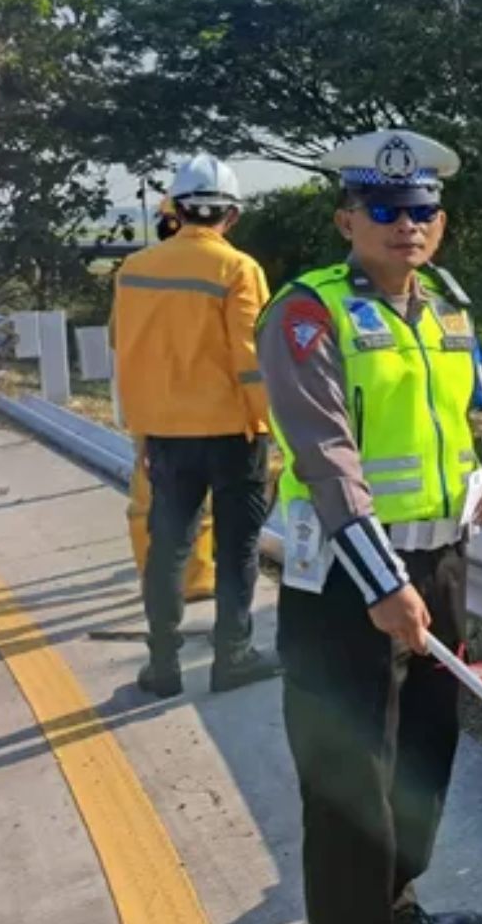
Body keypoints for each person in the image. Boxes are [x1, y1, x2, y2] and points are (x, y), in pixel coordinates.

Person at [259, 128, 482, 924]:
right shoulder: (307, 313)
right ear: (347, 220)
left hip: (440, 562)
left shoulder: (448, 306)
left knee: (422, 756)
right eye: (384, 208)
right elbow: (328, 459)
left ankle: (395, 900)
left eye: (421, 211)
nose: (406, 225)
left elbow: (477, 404)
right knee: (349, 771)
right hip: (346, 579)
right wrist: (383, 586)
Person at [111, 154, 279, 697]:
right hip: (234, 434)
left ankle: (162, 666)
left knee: (169, 546)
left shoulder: (133, 269)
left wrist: (142, 423)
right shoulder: (238, 269)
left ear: (177, 210)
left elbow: (121, 345)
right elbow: (254, 358)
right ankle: (232, 657)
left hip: (164, 434)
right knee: (236, 548)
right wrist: (271, 427)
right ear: (231, 216)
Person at [127, 197, 218, 604]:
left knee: (150, 498)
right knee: (202, 499)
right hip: (209, 406)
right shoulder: (228, 265)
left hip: (154, 405)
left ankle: (158, 581)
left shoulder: (138, 269)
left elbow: (118, 337)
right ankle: (196, 580)